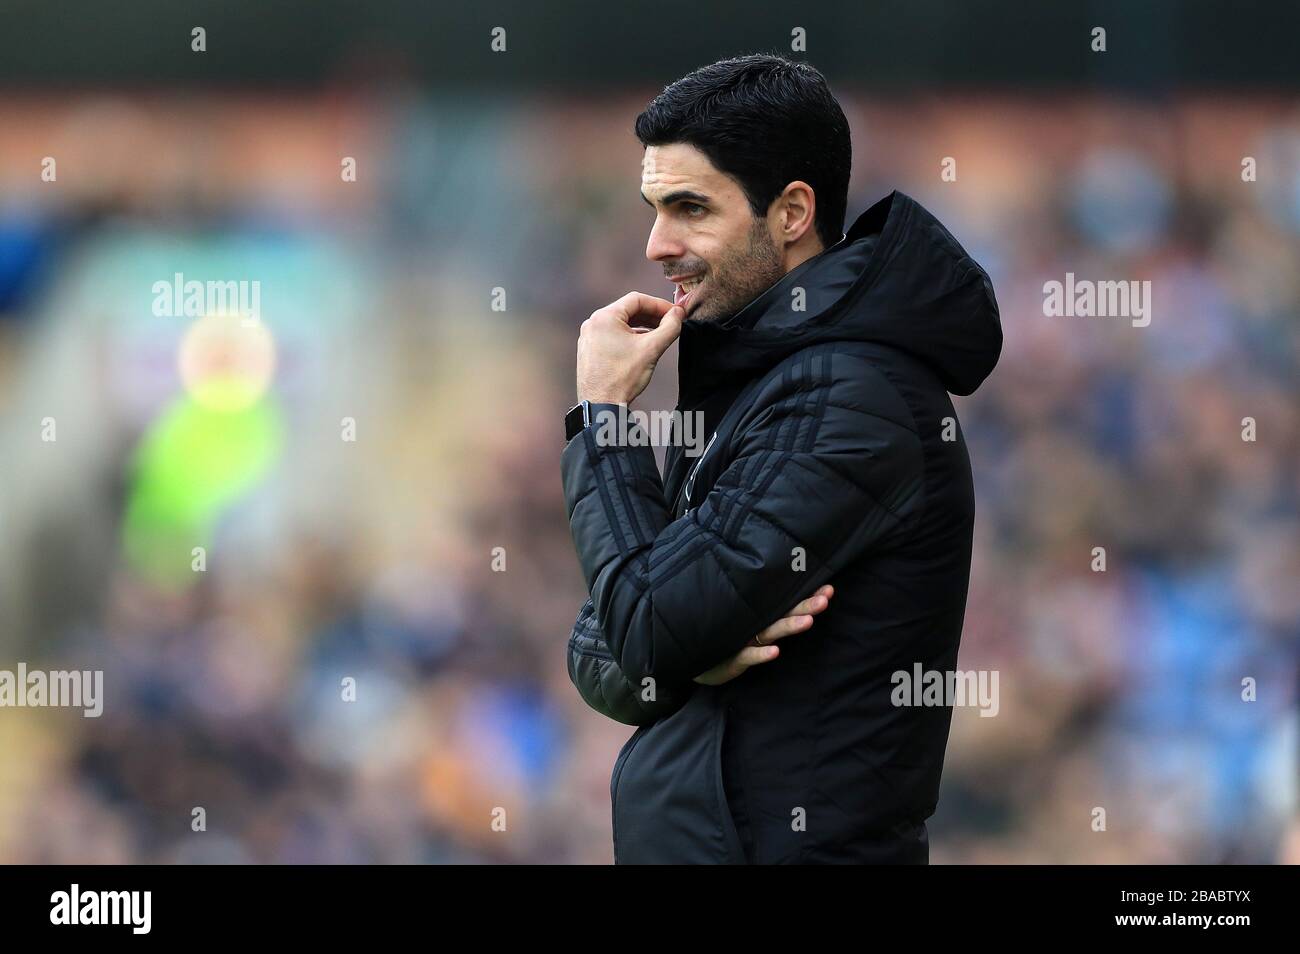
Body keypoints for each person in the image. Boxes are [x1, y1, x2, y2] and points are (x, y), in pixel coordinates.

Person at [561, 54, 1002, 863]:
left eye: (690, 208)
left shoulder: (848, 394)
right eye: (654, 209)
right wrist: (686, 648)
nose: (657, 244)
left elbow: (644, 629)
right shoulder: (769, 379)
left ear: (792, 211)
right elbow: (601, 648)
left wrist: (605, 418)